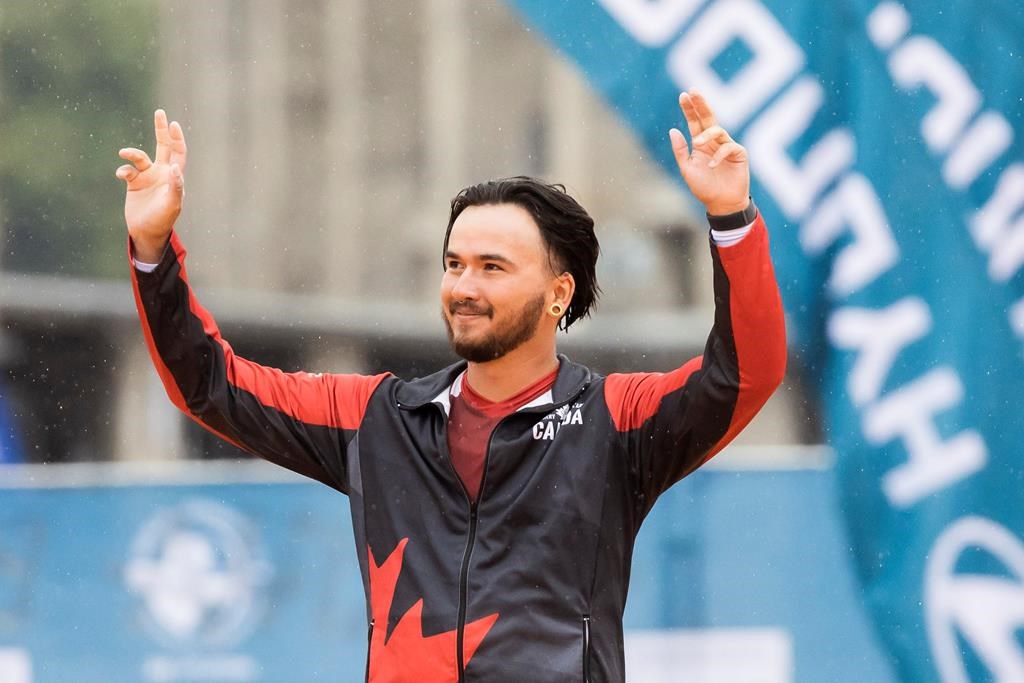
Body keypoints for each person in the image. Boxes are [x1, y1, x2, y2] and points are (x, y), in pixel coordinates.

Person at [116, 90, 786, 683]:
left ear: (559, 294)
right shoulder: (374, 417)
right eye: (454, 264)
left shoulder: (615, 419)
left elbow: (745, 374)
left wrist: (731, 220)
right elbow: (208, 384)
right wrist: (152, 248)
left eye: (492, 267)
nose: (464, 287)